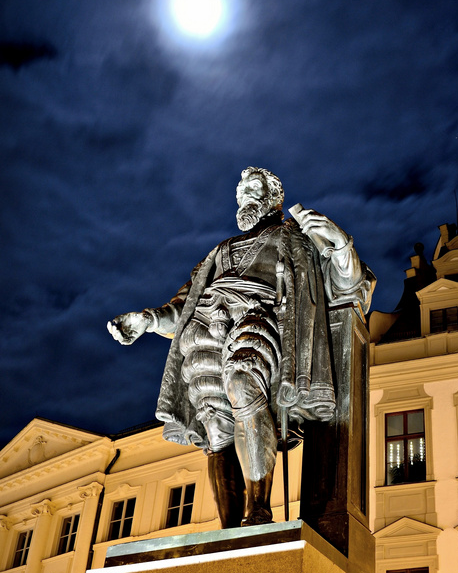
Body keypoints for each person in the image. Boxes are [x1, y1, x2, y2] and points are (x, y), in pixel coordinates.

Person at [108, 167, 373, 527]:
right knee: (216, 428)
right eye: (240, 189)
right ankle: (229, 531)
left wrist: (340, 245)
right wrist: (149, 320)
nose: (243, 194)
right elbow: (182, 307)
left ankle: (259, 511)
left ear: (273, 198)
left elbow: (348, 286)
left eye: (252, 188)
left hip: (262, 320)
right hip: (204, 331)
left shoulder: (294, 239)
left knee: (243, 385)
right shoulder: (219, 253)